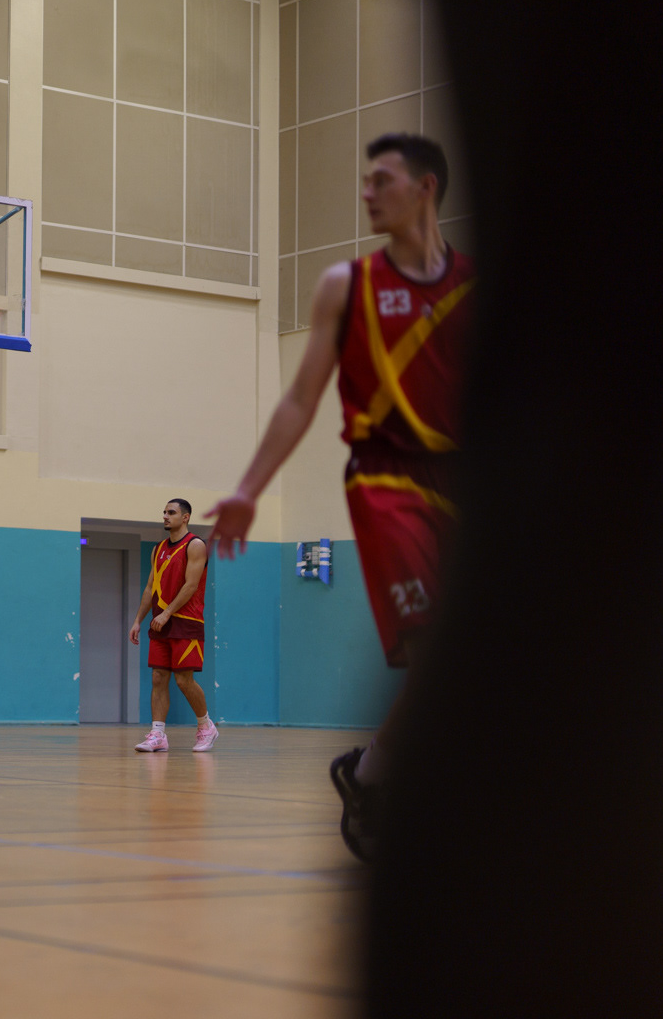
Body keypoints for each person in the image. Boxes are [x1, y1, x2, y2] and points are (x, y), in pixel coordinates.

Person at [205, 133, 474, 860]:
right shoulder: (344, 286)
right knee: (433, 651)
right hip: (386, 480)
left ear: (425, 187)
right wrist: (249, 489)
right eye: (364, 180)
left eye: (381, 180)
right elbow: (301, 397)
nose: (366, 192)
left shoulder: (472, 287)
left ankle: (374, 772)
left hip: (459, 484)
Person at [129, 499, 218, 752]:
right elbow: (150, 588)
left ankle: (206, 726)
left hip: (186, 622)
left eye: (171, 512)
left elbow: (191, 585)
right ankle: (157, 734)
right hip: (160, 622)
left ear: (185, 517)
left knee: (183, 680)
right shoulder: (158, 549)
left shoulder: (195, 545)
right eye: (164, 512)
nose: (166, 516)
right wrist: (138, 620)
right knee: (158, 677)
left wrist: (167, 613)